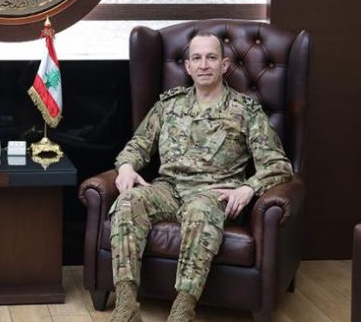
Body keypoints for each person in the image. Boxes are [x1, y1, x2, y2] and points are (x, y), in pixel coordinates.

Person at [109, 33, 293, 322]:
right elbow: (138, 145)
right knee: (128, 202)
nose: (204, 64)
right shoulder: (168, 105)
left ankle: (182, 311)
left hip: (214, 193)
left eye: (211, 57)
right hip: (169, 189)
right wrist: (126, 167)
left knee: (199, 210)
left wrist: (248, 187)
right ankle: (126, 307)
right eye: (197, 58)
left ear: (224, 65)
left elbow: (278, 164)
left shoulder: (245, 110)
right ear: (188, 66)